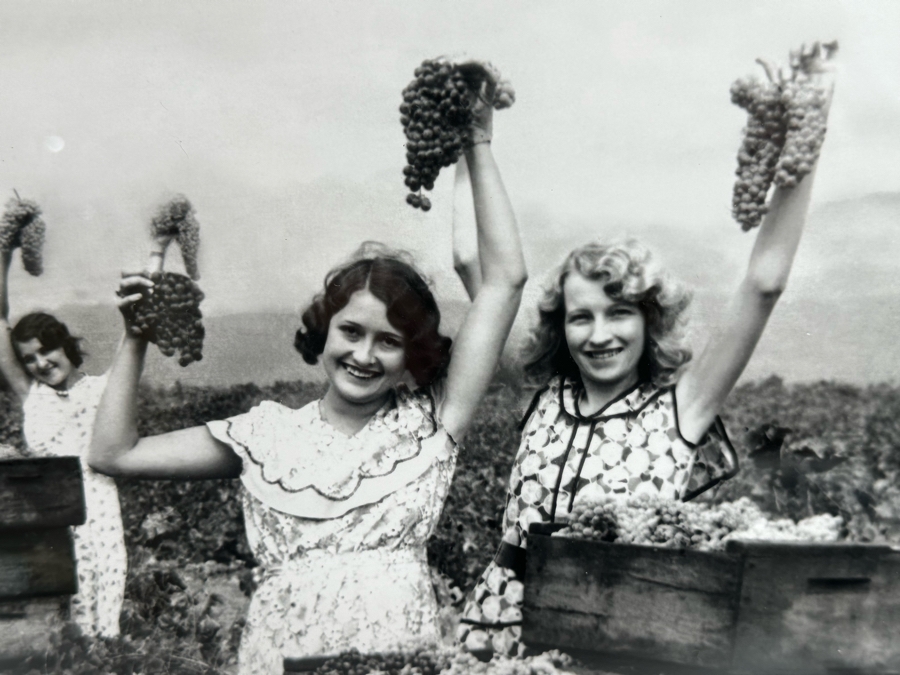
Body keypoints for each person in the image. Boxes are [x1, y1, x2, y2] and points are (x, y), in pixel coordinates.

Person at [89, 60, 527, 675]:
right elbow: (114, 453)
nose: (364, 355)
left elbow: (504, 281)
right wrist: (135, 337)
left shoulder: (432, 422)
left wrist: (477, 142)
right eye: (350, 331)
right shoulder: (264, 434)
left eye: (389, 342)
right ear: (323, 332)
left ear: (411, 356)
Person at [456, 92, 834, 658]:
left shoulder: (684, 406)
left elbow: (764, 284)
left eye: (619, 313)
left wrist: (804, 137)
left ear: (649, 319)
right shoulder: (542, 394)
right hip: (498, 630)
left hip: (617, 638)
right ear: (561, 327)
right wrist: (475, 140)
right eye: (581, 317)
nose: (599, 334)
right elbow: (472, 261)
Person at [0, 249, 127, 639]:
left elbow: (132, 341)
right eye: (29, 358)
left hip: (100, 512)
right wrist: (3, 251)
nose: (40, 363)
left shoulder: (103, 390)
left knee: (103, 605)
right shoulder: (32, 396)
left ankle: (103, 654)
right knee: (54, 610)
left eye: (47, 350)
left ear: (65, 345)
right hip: (48, 518)